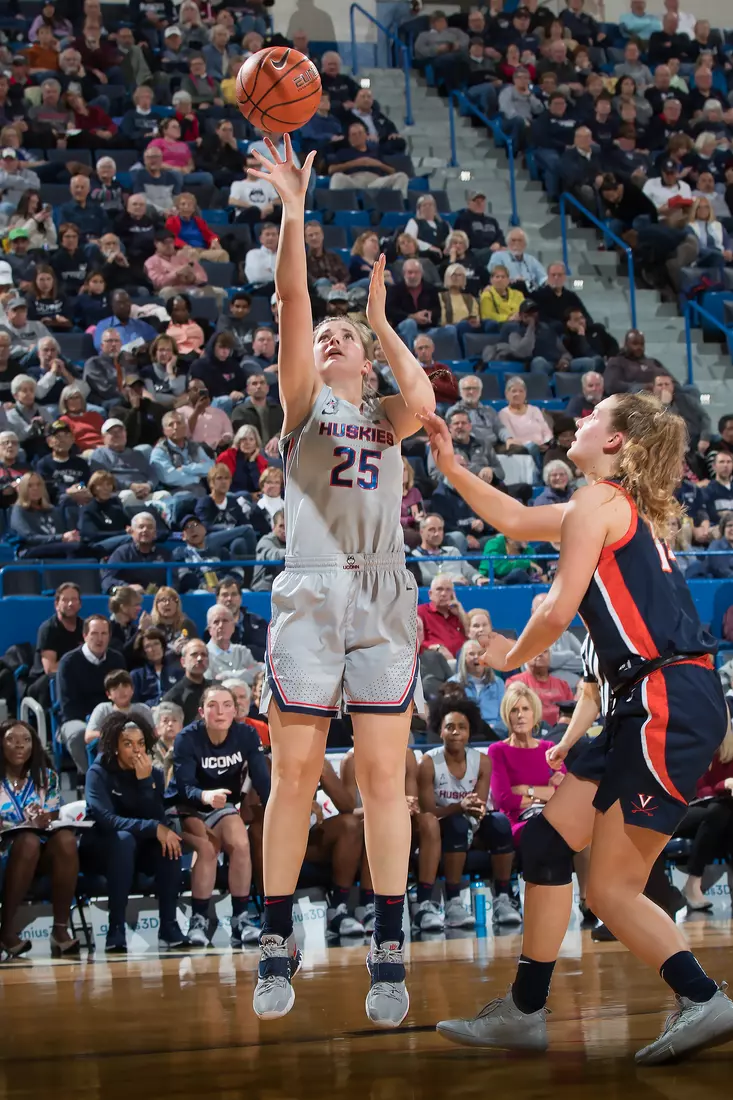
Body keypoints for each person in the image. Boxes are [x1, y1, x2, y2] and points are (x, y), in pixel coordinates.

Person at [421, 392, 733, 1062]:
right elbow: (508, 515)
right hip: (644, 701)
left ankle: (703, 999)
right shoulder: (598, 507)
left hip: (664, 699)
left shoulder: (600, 501)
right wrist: (447, 462)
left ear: (616, 442)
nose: (580, 421)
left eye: (595, 416)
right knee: (543, 843)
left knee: (611, 888)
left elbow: (559, 605)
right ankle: (524, 1011)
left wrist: (511, 656)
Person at [246, 135, 436, 1026]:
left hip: (384, 587)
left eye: (339, 337)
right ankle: (274, 937)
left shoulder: (385, 416)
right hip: (312, 586)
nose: (324, 338)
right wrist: (293, 211)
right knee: (292, 773)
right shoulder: (300, 405)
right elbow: (289, 297)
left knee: (383, 779)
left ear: (361, 358)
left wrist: (384, 324)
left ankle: (389, 941)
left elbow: (426, 405)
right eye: (319, 337)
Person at [168, 685, 271, 947]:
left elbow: (262, 779)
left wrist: (276, 807)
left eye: (227, 704)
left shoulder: (246, 734)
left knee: (240, 842)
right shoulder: (187, 738)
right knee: (207, 847)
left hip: (221, 804)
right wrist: (205, 796)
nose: (220, 711)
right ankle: (199, 920)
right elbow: (184, 787)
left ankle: (241, 919)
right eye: (213, 705)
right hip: (186, 805)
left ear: (235, 710)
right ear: (202, 712)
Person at [84, 711, 187, 952]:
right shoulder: (98, 773)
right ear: (115, 746)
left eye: (141, 743)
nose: (137, 750)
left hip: (138, 847)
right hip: (102, 846)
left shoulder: (153, 773)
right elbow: (107, 820)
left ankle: (169, 926)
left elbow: (157, 818)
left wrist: (144, 783)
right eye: (128, 744)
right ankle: (115, 928)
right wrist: (152, 828)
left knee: (169, 842)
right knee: (124, 840)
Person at [416, 698, 518, 932]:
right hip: (441, 828)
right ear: (440, 731)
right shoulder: (428, 762)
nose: (455, 732)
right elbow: (428, 812)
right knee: (456, 825)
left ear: (470, 732)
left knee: (501, 824)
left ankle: (503, 899)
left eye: (462, 727)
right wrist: (459, 807)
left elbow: (478, 806)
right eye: (449, 727)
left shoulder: (481, 761)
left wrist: (472, 808)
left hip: (469, 823)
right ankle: (453, 903)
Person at [0, 719, 79, 959]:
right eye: (12, 740)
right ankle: (6, 930)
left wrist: (44, 817)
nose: (20, 745)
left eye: (25, 740)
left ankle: (60, 930)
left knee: (65, 839)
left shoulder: (47, 777)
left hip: (40, 853)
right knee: (28, 841)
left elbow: (54, 813)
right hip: (6, 851)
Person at [56, 614, 126, 775]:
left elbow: (122, 694)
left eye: (104, 634)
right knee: (78, 734)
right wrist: (94, 722)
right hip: (78, 718)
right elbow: (68, 705)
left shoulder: (117, 659)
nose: (99, 639)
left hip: (110, 715)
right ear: (85, 635)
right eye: (94, 633)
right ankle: (94, 778)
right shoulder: (69, 662)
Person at [675, 726, 733, 910]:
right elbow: (699, 791)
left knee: (723, 816)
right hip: (688, 810)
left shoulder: (729, 749)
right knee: (720, 813)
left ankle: (694, 884)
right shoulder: (694, 747)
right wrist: (724, 785)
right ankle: (694, 884)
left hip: (720, 814)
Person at [26, 583, 83, 709]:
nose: (70, 604)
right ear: (56, 604)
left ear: (80, 604)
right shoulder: (48, 629)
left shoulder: (84, 627)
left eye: (74, 599)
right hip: (43, 682)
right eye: (65, 600)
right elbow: (50, 668)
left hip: (74, 676)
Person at [450, 640, 506, 736]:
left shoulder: (498, 683)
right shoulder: (453, 684)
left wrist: (495, 729)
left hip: (495, 734)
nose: (477, 657)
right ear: (464, 658)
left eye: (480, 653)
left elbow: (505, 715)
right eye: (471, 654)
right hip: (466, 735)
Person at [162, 638, 209, 724]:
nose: (199, 658)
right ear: (183, 662)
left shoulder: (217, 690)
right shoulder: (172, 698)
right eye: (194, 654)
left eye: (204, 654)